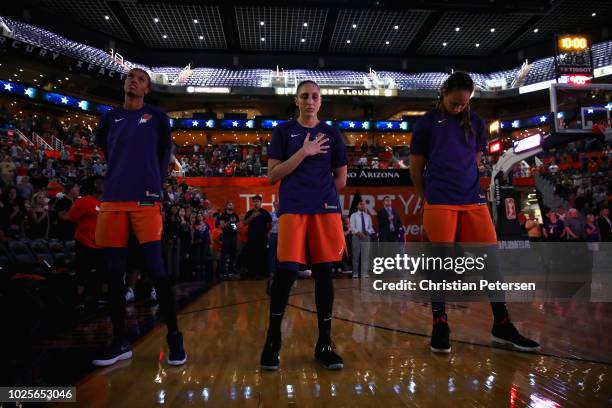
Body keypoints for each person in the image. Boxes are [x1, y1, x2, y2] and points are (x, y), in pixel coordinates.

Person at [409, 71, 539, 353]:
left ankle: (502, 324)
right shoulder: (426, 125)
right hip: (440, 200)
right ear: (443, 94)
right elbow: (415, 168)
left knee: (491, 261)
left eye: (464, 103)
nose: (459, 107)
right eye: (455, 102)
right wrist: (426, 198)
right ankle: (440, 323)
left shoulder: (477, 123)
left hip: (473, 200)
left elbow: (475, 161)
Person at [92, 67, 186, 367]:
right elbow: (106, 149)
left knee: (157, 270)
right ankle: (120, 341)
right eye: (130, 77)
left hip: (146, 200)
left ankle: (175, 338)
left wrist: (155, 185)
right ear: (125, 84)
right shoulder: (109, 118)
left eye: (141, 79)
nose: (134, 80)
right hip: (113, 200)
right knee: (113, 275)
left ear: (147, 89)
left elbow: (163, 152)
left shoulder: (157, 117)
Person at [261, 79, 348, 370]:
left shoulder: (333, 134)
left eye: (314, 96)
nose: (309, 101)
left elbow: (341, 179)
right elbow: (273, 175)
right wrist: (304, 152)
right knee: (286, 274)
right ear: (296, 100)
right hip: (293, 209)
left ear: (321, 101)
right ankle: (273, 341)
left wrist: (322, 196)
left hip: (324, 210)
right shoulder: (283, 131)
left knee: (324, 273)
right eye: (304, 97)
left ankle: (324, 343)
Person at [67, 176, 106, 310]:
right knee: (82, 272)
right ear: (93, 185)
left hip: (101, 243)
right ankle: (78, 300)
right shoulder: (84, 201)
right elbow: (72, 218)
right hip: (84, 242)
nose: (102, 185)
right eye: (99, 183)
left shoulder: (108, 203)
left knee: (101, 272)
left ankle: (98, 297)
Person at [243, 195, 272, 278]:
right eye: (254, 201)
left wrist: (266, 232)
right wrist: (252, 217)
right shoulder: (250, 212)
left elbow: (269, 224)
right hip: (251, 237)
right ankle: (252, 273)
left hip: (262, 237)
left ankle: (262, 273)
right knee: (252, 255)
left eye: (257, 201)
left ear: (260, 202)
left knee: (262, 255)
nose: (256, 203)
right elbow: (244, 223)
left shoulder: (264, 212)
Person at [350, 199, 375, 278]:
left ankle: (364, 273)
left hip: (366, 237)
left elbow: (371, 228)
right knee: (356, 255)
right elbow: (352, 228)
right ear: (357, 206)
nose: (363, 205)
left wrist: (367, 232)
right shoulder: (353, 215)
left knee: (365, 256)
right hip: (356, 237)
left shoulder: (368, 216)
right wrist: (360, 234)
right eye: (361, 204)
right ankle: (355, 273)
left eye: (364, 204)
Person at [218, 202, 240, 279]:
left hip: (234, 236)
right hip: (226, 236)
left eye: (232, 204)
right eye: (229, 204)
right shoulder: (223, 215)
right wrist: (229, 222)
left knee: (233, 254)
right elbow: (221, 225)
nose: (231, 205)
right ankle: (223, 272)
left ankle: (231, 271)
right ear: (226, 206)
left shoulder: (235, 215)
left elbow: (237, 226)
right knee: (224, 255)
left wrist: (236, 225)